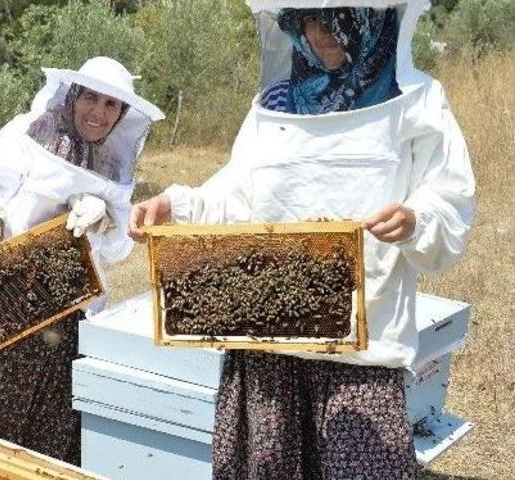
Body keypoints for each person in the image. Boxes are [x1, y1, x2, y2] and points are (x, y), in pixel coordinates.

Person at [129, 2, 474, 479]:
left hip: (361, 352)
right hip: (264, 346)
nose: (320, 33)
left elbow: (449, 198)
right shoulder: (275, 105)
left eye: (336, 18)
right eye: (308, 19)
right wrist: (179, 205)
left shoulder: (416, 100)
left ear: (371, 19)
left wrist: (417, 219)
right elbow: (237, 192)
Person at [0, 56, 164, 464]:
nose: (98, 112)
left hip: (63, 322)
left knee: (49, 448)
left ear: (122, 114)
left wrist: (103, 219)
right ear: (73, 95)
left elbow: (117, 249)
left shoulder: (113, 163)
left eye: (110, 105)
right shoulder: (27, 133)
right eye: (90, 98)